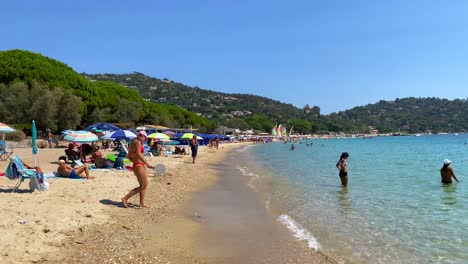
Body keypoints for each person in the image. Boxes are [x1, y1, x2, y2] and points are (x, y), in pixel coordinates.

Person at [121, 131, 154, 208]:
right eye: (140, 135)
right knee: (144, 185)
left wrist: (135, 162)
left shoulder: (135, 142)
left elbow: (128, 156)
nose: (140, 137)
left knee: (143, 185)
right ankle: (125, 198)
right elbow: (139, 154)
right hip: (139, 165)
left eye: (142, 136)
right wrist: (147, 164)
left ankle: (141, 203)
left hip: (138, 165)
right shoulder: (137, 142)